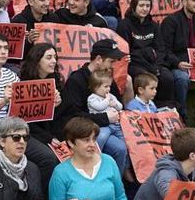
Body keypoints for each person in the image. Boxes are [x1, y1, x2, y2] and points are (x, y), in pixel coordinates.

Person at [54, 40, 130, 177]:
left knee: (121, 148)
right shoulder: (77, 79)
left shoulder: (107, 78)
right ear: (99, 59)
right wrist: (105, 118)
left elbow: (118, 103)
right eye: (111, 61)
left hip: (109, 127)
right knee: (112, 146)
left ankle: (114, 183)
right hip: (84, 131)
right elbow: (73, 115)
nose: (113, 66)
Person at [16, 43, 67, 187]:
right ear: (37, 60)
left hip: (51, 131)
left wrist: (56, 106)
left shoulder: (57, 81)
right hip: (31, 132)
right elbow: (25, 120)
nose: (54, 61)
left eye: (55, 58)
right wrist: (49, 138)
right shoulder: (24, 82)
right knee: (50, 158)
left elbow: (60, 117)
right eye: (49, 57)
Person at [88, 70, 126, 150]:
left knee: (125, 142)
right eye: (105, 86)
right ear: (96, 87)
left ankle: (125, 162)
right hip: (102, 126)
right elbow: (99, 107)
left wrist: (115, 104)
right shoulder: (92, 98)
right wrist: (107, 101)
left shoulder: (110, 96)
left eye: (109, 86)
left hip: (116, 125)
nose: (108, 89)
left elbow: (120, 106)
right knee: (101, 138)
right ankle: (97, 153)